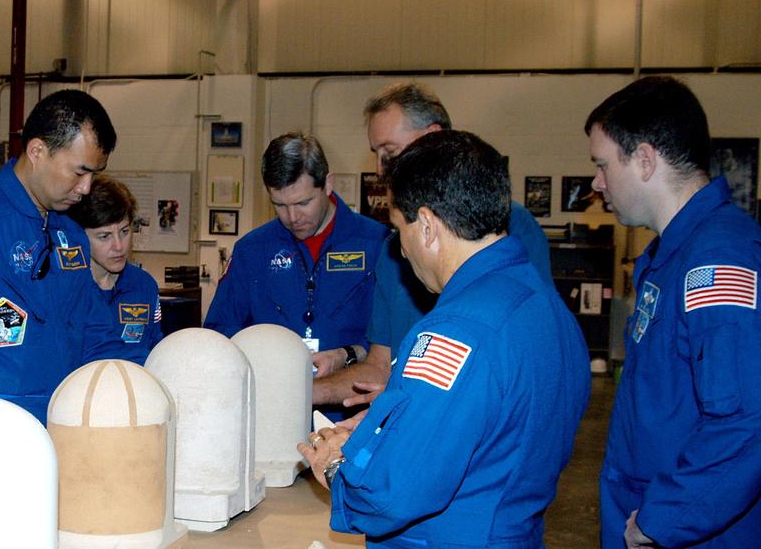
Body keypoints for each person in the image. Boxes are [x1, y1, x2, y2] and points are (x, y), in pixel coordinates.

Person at [299, 130, 590, 549]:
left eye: (401, 229)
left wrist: (337, 469)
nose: (402, 250)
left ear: (428, 225)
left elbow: (395, 490)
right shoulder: (542, 306)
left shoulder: (454, 331)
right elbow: (488, 435)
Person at [585, 76, 761, 549]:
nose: (597, 184)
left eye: (603, 164)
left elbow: (747, 421)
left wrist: (661, 516)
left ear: (646, 158)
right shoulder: (671, 256)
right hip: (657, 548)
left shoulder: (718, 261)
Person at [312, 83, 553, 410]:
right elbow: (380, 367)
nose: (381, 169)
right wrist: (302, 393)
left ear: (432, 138)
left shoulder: (508, 227)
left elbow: (531, 357)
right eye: (377, 155)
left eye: (390, 152)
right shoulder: (393, 250)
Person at [0, 89, 122, 423]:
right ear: (37, 151)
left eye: (95, 174)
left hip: (67, 424)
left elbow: (96, 331)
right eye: (79, 172)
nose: (87, 187)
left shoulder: (72, 236)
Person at [203, 132, 387, 408]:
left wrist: (348, 354)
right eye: (279, 205)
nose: (292, 217)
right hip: (271, 407)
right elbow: (220, 332)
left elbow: (394, 340)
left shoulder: (377, 244)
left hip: (350, 411)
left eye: (303, 203)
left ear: (327, 184)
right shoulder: (252, 251)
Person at [67, 174, 164, 361]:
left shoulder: (144, 286)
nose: (119, 246)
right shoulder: (67, 287)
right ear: (79, 236)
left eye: (125, 232)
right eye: (105, 236)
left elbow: (156, 349)